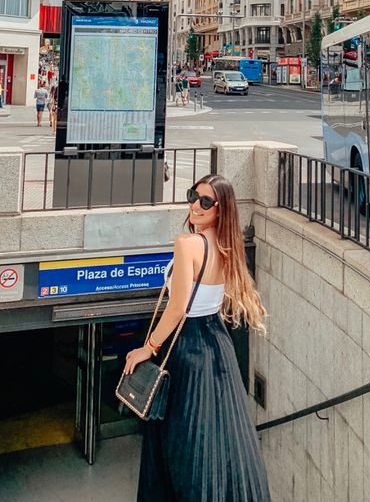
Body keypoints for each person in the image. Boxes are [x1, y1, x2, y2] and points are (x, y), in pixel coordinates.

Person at [127, 174, 270, 501]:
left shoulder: (188, 244)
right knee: (222, 432)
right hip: (218, 343)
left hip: (188, 345)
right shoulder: (228, 246)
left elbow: (177, 309)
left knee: (181, 435)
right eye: (194, 196)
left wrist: (147, 348)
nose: (195, 205)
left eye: (206, 201)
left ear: (221, 209)